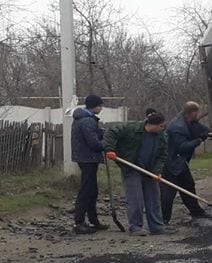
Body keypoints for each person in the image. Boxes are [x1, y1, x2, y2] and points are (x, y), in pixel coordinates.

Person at [105, 112, 174, 236]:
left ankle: (157, 226)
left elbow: (162, 156)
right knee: (135, 198)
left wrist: (157, 171)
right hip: (131, 167)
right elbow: (112, 132)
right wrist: (110, 149)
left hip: (150, 170)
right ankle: (136, 227)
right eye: (161, 126)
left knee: (154, 198)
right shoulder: (132, 128)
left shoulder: (162, 136)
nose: (163, 129)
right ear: (153, 125)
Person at [161, 101, 210, 224]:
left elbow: (198, 128)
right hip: (171, 163)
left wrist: (207, 132)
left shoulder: (187, 121)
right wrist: (198, 140)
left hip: (180, 162)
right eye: (196, 112)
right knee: (169, 192)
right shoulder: (178, 127)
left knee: (188, 185)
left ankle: (196, 210)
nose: (197, 115)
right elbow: (182, 147)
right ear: (191, 113)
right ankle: (163, 219)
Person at [71, 94, 106, 234]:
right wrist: (104, 144)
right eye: (100, 105)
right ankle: (79, 222)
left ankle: (93, 219)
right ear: (95, 106)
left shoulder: (82, 119)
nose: (101, 108)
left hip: (84, 157)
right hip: (88, 158)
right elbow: (93, 143)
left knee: (92, 190)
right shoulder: (87, 121)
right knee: (86, 190)